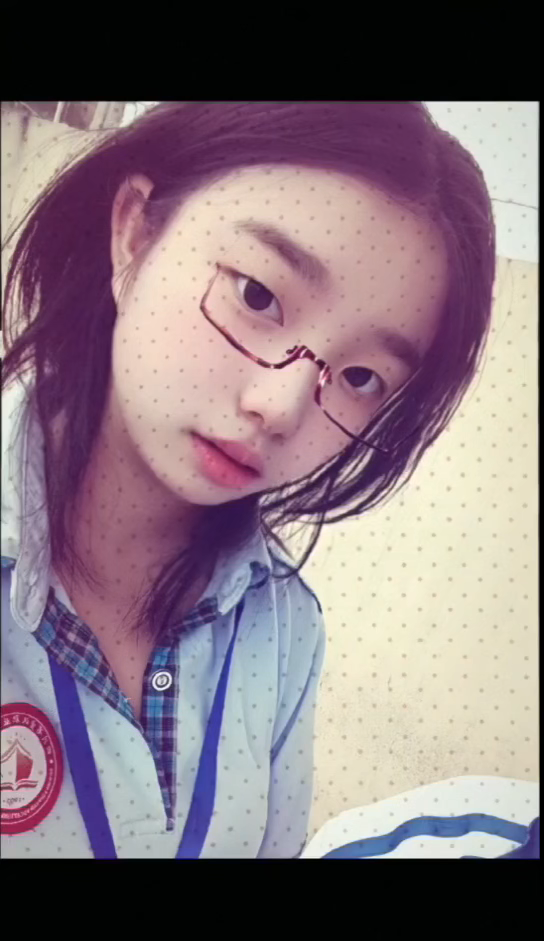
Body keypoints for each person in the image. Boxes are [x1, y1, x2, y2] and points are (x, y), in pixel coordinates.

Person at [0, 102, 496, 858]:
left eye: (360, 377)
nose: (280, 406)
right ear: (136, 233)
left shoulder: (285, 627)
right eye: (258, 295)